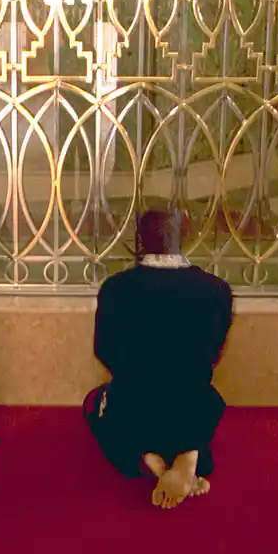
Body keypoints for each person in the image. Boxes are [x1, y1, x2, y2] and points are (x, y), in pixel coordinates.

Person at [85, 210, 233, 509]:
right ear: (185, 238)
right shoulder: (216, 289)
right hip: (192, 407)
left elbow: (103, 350)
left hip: (135, 406)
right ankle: (190, 454)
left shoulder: (115, 289)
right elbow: (215, 354)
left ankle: (150, 460)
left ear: (140, 240)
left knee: (94, 405)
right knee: (199, 401)